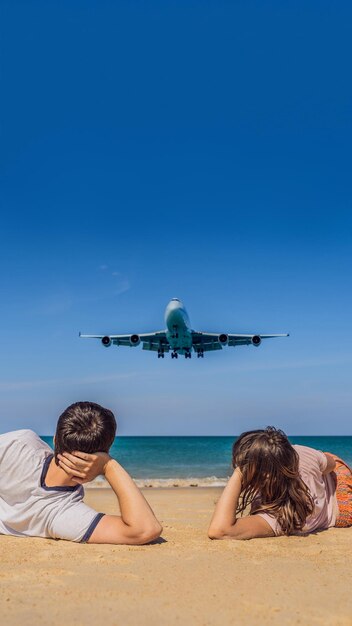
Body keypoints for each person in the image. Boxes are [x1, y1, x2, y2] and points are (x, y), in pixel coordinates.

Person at [0, 401, 162, 544]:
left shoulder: (20, 444)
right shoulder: (63, 515)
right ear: (103, 454)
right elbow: (144, 529)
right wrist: (109, 466)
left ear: (56, 439)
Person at [208, 426, 352, 540]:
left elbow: (220, 530)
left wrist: (239, 474)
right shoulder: (300, 453)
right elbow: (332, 464)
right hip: (341, 477)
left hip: (342, 509)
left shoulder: (281, 517)